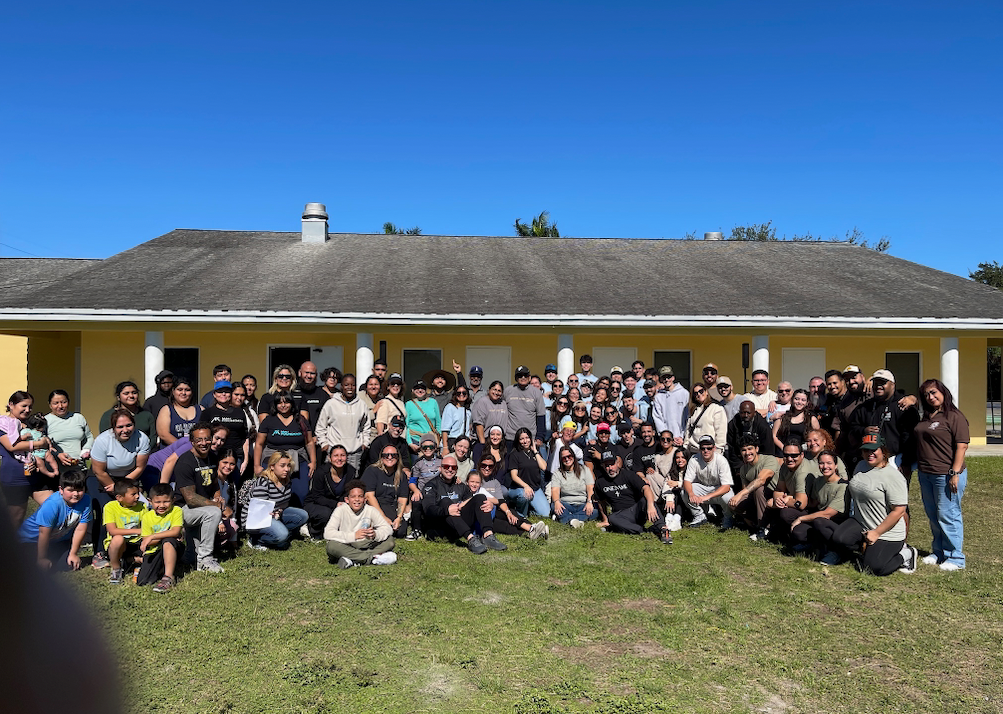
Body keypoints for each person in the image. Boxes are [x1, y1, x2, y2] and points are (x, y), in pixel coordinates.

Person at [822, 432, 917, 575]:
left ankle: (906, 554)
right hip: (861, 523)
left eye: (874, 450)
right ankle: (866, 550)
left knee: (874, 568)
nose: (869, 454)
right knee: (839, 538)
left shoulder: (893, 476)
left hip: (887, 531)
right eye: (866, 450)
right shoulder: (861, 465)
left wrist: (876, 533)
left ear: (883, 451)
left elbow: (899, 511)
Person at [914, 379, 969, 571]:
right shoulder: (927, 416)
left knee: (948, 514)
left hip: (946, 474)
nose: (931, 397)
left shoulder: (954, 416)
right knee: (933, 514)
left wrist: (954, 473)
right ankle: (938, 552)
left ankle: (956, 557)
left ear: (943, 393)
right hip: (926, 473)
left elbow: (961, 445)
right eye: (927, 394)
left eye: (934, 392)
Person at [87, 408, 152, 568]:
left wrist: (121, 487)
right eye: (120, 427)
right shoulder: (103, 440)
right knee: (105, 510)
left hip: (128, 478)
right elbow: (98, 470)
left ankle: (132, 549)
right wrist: (114, 486)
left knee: (140, 507)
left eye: (129, 425)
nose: (125, 430)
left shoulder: (142, 438)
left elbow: (139, 467)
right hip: (100, 478)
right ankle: (99, 553)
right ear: (113, 428)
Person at [420, 455, 507, 554]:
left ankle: (488, 535)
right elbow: (428, 509)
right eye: (446, 467)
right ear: (440, 468)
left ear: (456, 470)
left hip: (458, 526)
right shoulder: (431, 485)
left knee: (480, 497)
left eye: (453, 467)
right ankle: (471, 539)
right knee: (446, 502)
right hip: (439, 528)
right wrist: (446, 510)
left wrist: (489, 504)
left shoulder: (460, 485)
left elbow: (472, 502)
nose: (450, 469)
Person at [172, 422, 225, 573]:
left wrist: (218, 498)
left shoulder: (213, 457)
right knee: (214, 513)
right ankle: (205, 560)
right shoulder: (185, 462)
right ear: (192, 442)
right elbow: (190, 498)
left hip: (201, 508)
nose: (204, 443)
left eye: (207, 439)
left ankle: (192, 557)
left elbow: (214, 484)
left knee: (190, 557)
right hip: (182, 509)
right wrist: (216, 506)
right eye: (199, 440)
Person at [17, 469, 91, 571]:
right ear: (61, 489)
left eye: (79, 490)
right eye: (70, 490)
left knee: (68, 565)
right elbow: (43, 533)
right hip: (31, 540)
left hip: (57, 540)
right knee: (32, 568)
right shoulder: (52, 504)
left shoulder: (86, 500)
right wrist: (41, 558)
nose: (76, 494)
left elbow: (81, 529)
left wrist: (73, 553)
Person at [254, 390, 317, 503]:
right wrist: (257, 465)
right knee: (272, 494)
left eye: (286, 402)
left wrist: (313, 461)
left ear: (292, 403)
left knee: (301, 493)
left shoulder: (301, 420)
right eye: (279, 403)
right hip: (272, 459)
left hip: (298, 459)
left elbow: (309, 442)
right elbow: (259, 444)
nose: (283, 405)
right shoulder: (268, 421)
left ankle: (298, 517)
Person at [593, 456, 672, 543]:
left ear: (617, 463)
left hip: (636, 510)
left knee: (645, 500)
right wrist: (605, 519)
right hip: (620, 515)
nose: (610, 468)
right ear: (603, 466)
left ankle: (663, 529)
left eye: (612, 464)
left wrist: (650, 506)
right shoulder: (600, 482)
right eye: (607, 466)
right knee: (612, 518)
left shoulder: (629, 475)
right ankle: (645, 531)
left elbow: (646, 488)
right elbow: (601, 501)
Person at [242, 450, 309, 551]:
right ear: (272, 466)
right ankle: (256, 540)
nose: (286, 469)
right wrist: (276, 513)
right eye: (282, 466)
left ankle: (279, 536)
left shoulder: (287, 480)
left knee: (303, 515)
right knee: (282, 534)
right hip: (256, 518)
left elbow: (285, 503)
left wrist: (279, 512)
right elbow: (259, 510)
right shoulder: (264, 482)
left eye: (288, 466)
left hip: (275, 513)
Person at [787, 450, 850, 557]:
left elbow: (827, 514)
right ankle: (813, 544)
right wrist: (789, 499)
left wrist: (801, 519)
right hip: (819, 518)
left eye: (829, 463)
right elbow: (813, 503)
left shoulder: (843, 486)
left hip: (835, 524)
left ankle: (834, 551)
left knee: (819, 522)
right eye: (821, 463)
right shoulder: (819, 481)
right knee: (797, 529)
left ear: (836, 466)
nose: (825, 466)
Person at [324, 479, 397, 568]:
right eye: (353, 496)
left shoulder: (370, 510)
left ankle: (352, 560)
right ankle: (372, 559)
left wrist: (375, 534)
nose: (357, 499)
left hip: (366, 543)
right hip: (347, 543)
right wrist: (354, 535)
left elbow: (387, 528)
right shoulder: (340, 510)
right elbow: (328, 533)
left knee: (390, 541)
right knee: (331, 546)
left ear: (365, 499)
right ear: (347, 499)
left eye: (360, 496)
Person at [466, 467, 547, 538]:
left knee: (509, 513)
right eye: (472, 482)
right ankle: (531, 531)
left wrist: (487, 500)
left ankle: (531, 528)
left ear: (480, 484)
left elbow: (496, 500)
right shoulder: (464, 492)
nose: (474, 484)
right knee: (502, 525)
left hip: (490, 513)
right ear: (467, 482)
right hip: (480, 520)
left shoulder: (481, 490)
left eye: (477, 482)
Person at [728, 436, 780, 540]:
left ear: (756, 449)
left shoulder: (769, 459)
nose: (747, 453)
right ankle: (755, 522)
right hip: (757, 501)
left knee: (758, 489)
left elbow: (761, 480)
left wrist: (739, 494)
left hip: (774, 498)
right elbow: (746, 492)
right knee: (733, 503)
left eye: (750, 449)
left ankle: (764, 528)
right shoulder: (743, 469)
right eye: (743, 450)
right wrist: (745, 517)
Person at [767, 439, 820, 542]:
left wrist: (786, 500)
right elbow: (779, 489)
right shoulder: (785, 466)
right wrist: (779, 500)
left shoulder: (802, 473)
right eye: (786, 455)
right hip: (798, 500)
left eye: (794, 455)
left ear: (802, 455)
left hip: (816, 508)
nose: (789, 459)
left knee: (786, 513)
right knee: (771, 502)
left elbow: (801, 504)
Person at [315, 373, 371, 471]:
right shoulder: (331, 404)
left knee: (352, 482)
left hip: (354, 453)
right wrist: (324, 444)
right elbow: (320, 426)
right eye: (346, 385)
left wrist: (365, 443)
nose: (350, 387)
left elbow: (366, 426)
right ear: (341, 386)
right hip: (335, 451)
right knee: (333, 480)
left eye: (353, 385)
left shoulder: (361, 405)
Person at [135, 482, 183, 593]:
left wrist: (153, 536)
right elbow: (148, 543)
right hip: (154, 550)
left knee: (168, 541)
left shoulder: (176, 511)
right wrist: (152, 539)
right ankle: (160, 567)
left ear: (173, 500)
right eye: (157, 502)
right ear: (150, 501)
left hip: (173, 547)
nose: (161, 505)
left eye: (166, 501)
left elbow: (175, 532)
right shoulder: (147, 516)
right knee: (143, 581)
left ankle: (168, 577)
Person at [682, 435, 735, 529]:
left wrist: (707, 497)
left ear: (714, 448)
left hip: (718, 488)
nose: (706, 451)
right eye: (703, 448)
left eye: (709, 448)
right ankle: (699, 515)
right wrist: (691, 494)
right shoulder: (694, 459)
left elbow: (726, 486)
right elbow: (687, 480)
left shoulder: (721, 460)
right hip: (703, 487)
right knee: (684, 491)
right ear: (699, 449)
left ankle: (728, 517)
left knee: (728, 497)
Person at [304, 444, 356, 539]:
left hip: (338, 503)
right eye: (336, 456)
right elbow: (317, 496)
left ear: (347, 457)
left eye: (342, 455)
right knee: (326, 514)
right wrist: (336, 504)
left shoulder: (351, 472)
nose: (339, 459)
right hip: (315, 502)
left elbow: (348, 492)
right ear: (329, 458)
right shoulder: (321, 472)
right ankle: (313, 531)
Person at [102, 479, 146, 583]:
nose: (138, 497)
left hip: (137, 543)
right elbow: (112, 530)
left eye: (138, 493)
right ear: (119, 497)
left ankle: (130, 560)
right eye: (133, 494)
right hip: (119, 545)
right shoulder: (110, 507)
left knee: (153, 559)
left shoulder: (142, 506)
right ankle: (116, 568)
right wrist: (138, 531)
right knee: (118, 538)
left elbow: (146, 528)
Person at [360, 444, 409, 538]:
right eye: (386, 455)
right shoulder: (372, 470)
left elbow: (402, 498)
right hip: (374, 505)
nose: (390, 457)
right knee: (384, 525)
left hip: (390, 505)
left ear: (398, 457)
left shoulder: (401, 475)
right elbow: (369, 496)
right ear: (381, 458)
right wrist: (382, 517)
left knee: (401, 531)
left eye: (393, 455)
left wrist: (399, 518)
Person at [201, 380, 250, 470]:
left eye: (227, 391)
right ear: (214, 394)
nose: (223, 394)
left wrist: (245, 460)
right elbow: (202, 436)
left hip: (236, 458)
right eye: (220, 391)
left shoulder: (239, 412)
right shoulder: (207, 413)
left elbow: (245, 438)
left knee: (235, 484)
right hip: (213, 456)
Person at [44, 389, 94, 474]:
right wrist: (58, 455)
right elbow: (42, 445)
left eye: (63, 402)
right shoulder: (45, 421)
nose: (60, 406)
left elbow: (89, 437)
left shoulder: (78, 417)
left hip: (79, 469)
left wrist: (86, 449)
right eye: (55, 403)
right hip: (55, 471)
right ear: (50, 405)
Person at [506, 427, 549, 518]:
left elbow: (544, 467)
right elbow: (514, 476)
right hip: (518, 488)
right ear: (518, 440)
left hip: (535, 489)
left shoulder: (535, 453)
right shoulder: (514, 454)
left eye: (527, 438)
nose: (525, 441)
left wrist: (535, 451)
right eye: (521, 439)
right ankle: (520, 513)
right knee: (524, 496)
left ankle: (530, 511)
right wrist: (525, 486)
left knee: (546, 514)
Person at [550, 446, 597, 525]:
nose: (567, 459)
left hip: (583, 504)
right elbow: (555, 490)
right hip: (566, 504)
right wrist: (557, 502)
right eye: (564, 458)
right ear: (561, 460)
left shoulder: (585, 470)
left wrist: (589, 501)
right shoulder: (557, 473)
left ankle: (565, 519)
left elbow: (590, 487)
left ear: (573, 456)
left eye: (569, 456)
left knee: (596, 511)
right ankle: (576, 520)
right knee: (553, 506)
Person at [725, 399, 773, 477]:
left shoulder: (763, 426)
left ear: (754, 413)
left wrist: (760, 468)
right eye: (743, 413)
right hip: (740, 460)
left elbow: (768, 450)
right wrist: (739, 468)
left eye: (748, 413)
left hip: (759, 461)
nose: (746, 415)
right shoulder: (733, 424)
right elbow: (732, 448)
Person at [504, 365, 547, 450]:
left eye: (525, 375)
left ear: (529, 377)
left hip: (529, 438)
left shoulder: (536, 392)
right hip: (510, 437)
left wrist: (540, 437)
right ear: (516, 378)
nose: (523, 378)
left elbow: (541, 415)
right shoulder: (508, 391)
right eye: (520, 376)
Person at [155, 376, 203, 446]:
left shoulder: (201, 409)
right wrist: (185, 448)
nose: (183, 393)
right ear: (173, 391)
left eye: (187, 390)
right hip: (172, 453)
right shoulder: (166, 410)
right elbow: (163, 434)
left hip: (196, 453)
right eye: (180, 390)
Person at [772, 389, 820, 455]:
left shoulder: (812, 419)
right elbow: (774, 436)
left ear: (807, 403)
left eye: (803, 400)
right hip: (783, 453)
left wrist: (802, 449)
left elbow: (818, 437)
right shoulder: (782, 417)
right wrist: (785, 449)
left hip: (803, 453)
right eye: (797, 399)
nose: (799, 402)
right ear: (792, 400)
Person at [685, 384, 728, 455]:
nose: (699, 394)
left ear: (706, 392)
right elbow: (688, 431)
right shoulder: (693, 410)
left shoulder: (716, 408)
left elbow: (721, 432)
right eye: (696, 393)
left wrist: (718, 450)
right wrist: (685, 446)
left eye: (701, 391)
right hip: (693, 450)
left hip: (709, 451)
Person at [652, 366, 688, 446]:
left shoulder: (684, 393)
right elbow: (657, 418)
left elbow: (687, 417)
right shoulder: (658, 397)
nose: (666, 380)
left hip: (682, 439)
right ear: (661, 380)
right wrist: (667, 436)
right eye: (664, 378)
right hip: (666, 441)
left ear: (673, 378)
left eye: (668, 377)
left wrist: (682, 436)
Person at [291, 361, 330, 432]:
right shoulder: (292, 393)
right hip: (294, 437)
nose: (309, 376)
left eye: (312, 373)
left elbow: (329, 419)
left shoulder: (323, 395)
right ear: (300, 373)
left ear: (316, 375)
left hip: (317, 438)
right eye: (306, 372)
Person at [404, 380, 441, 453]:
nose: (420, 390)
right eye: (417, 388)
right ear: (413, 390)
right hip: (415, 440)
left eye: (422, 388)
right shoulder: (409, 404)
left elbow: (438, 422)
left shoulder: (433, 402)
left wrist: (438, 439)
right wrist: (410, 443)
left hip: (431, 440)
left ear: (426, 390)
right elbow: (406, 425)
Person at [440, 385, 473, 455]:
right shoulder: (450, 407)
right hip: (452, 440)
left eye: (464, 393)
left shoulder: (468, 410)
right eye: (459, 393)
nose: (461, 394)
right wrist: (445, 448)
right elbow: (444, 429)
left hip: (464, 442)